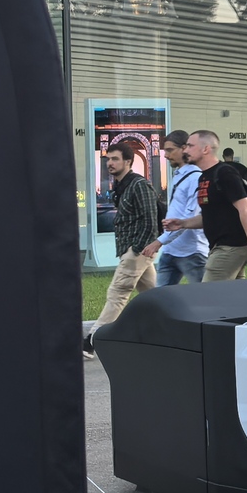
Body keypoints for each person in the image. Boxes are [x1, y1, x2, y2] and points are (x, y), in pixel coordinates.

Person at [89, 139, 160, 347]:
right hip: (131, 249)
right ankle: (169, 331)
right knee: (153, 296)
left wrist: (135, 250)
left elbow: (151, 221)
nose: (110, 163)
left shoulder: (140, 185)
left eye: (115, 159)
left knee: (117, 293)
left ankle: (92, 339)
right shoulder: (121, 187)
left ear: (128, 161)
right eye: (108, 159)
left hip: (137, 251)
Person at [192, 129, 247, 281]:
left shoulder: (225, 173)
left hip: (230, 247)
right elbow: (210, 216)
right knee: (234, 293)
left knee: (209, 293)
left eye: (190, 146)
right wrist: (181, 224)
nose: (186, 150)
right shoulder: (204, 177)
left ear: (205, 149)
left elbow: (245, 209)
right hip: (220, 246)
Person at [156, 129, 207, 286]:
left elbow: (189, 216)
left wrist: (159, 241)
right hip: (171, 250)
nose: (166, 155)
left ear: (184, 148)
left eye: (170, 150)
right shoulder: (179, 174)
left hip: (191, 251)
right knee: (162, 297)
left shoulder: (195, 177)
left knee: (206, 297)